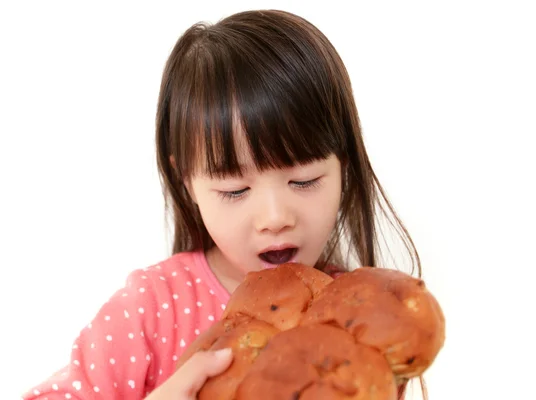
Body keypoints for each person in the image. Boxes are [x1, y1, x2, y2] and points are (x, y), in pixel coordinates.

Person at [22, 9, 424, 400]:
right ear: (189, 184)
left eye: (304, 180)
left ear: (343, 168)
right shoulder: (153, 308)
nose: (274, 218)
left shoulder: (356, 319)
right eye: (235, 189)